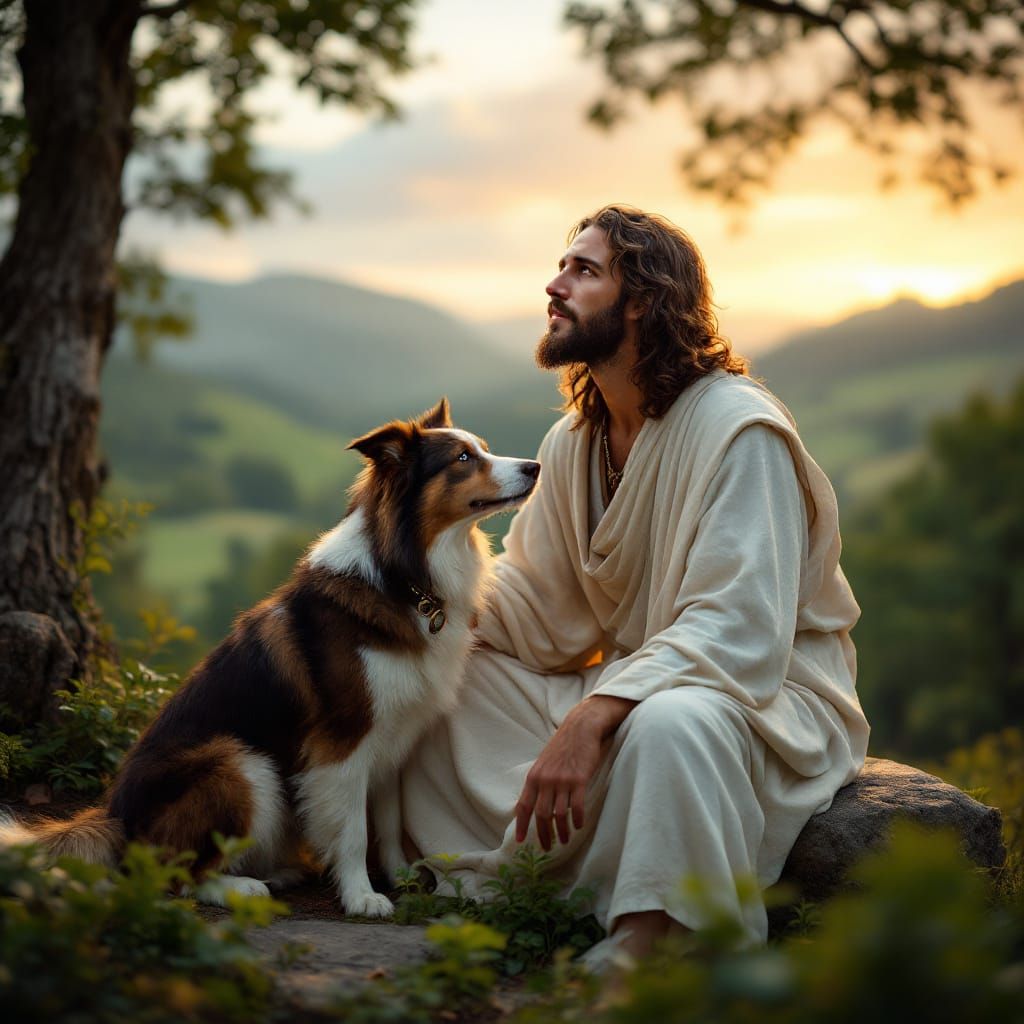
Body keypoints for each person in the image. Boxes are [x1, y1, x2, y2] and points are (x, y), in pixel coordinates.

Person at [399, 204, 869, 958]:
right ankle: (505, 884)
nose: (554, 287)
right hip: (638, 681)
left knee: (670, 725)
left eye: (583, 271)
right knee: (440, 679)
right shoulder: (576, 442)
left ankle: (653, 944)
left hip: (761, 698)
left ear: (644, 300)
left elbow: (739, 632)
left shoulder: (739, 431)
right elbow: (537, 613)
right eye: (562, 267)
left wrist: (588, 724)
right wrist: (404, 607)